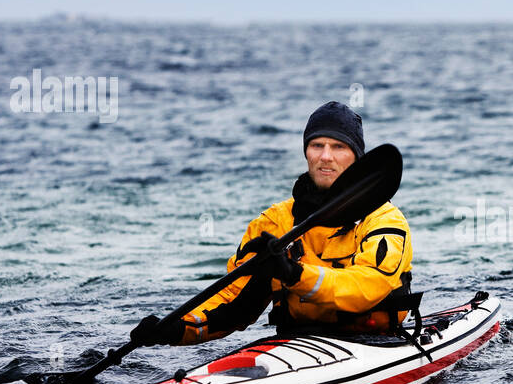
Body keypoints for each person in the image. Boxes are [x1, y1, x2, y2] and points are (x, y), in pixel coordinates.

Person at [131, 101, 413, 345]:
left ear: (356, 157)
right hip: (297, 341)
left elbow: (367, 287)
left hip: (374, 341)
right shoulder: (274, 223)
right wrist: (178, 328)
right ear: (306, 153)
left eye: (338, 146)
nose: (326, 156)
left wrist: (294, 274)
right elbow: (233, 302)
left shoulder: (383, 219)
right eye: (317, 145)